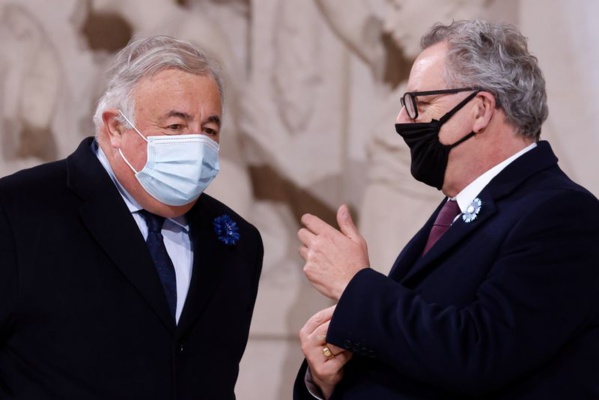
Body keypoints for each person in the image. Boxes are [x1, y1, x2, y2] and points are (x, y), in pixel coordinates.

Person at [294, 20, 599, 399]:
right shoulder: (455, 211)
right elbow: (420, 351)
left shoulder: (563, 215)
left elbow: (481, 353)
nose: (402, 121)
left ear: (480, 109)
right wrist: (324, 380)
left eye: (419, 104)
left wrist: (355, 285)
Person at [0, 35, 263, 399]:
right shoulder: (18, 211)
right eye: (176, 126)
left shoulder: (237, 242)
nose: (197, 144)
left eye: (209, 130)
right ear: (115, 128)